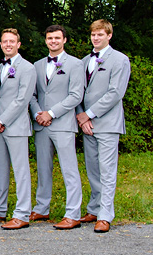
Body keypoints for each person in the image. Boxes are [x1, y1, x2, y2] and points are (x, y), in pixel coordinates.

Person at [76, 19, 131, 233]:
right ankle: (94, 208)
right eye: (93, 34)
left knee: (107, 170)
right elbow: (79, 91)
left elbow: (116, 93)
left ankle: (105, 215)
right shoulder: (83, 61)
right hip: (87, 124)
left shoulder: (120, 60)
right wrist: (82, 116)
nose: (96, 38)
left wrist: (89, 114)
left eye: (100, 34)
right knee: (93, 169)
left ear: (109, 36)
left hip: (107, 123)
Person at [29, 25, 86, 229]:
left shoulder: (75, 64)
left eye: (57, 38)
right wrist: (38, 113)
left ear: (64, 40)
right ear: (45, 40)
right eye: (50, 38)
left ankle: (73, 214)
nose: (53, 41)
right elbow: (32, 95)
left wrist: (51, 113)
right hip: (41, 125)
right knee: (43, 169)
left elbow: (75, 95)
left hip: (62, 123)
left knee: (69, 169)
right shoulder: (36, 65)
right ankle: (42, 208)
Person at [0, 29, 36, 230]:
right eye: (5, 41)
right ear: (0, 44)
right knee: (0, 169)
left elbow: (23, 100)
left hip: (16, 126)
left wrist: (2, 120)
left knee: (20, 171)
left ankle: (22, 213)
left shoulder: (28, 68)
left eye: (12, 41)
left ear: (19, 44)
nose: (8, 44)